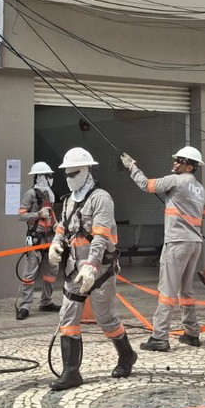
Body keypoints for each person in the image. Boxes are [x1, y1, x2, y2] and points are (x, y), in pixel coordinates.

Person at [47, 147, 137, 390]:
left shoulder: (101, 199)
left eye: (73, 173)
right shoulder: (67, 201)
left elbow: (100, 237)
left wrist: (91, 265)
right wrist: (55, 245)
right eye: (66, 173)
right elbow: (62, 228)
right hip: (73, 269)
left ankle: (127, 355)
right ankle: (71, 372)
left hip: (99, 270)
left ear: (87, 171)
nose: (69, 177)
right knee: (68, 316)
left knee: (105, 318)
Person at [121, 146, 205, 351]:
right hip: (195, 243)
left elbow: (146, 185)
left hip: (177, 242)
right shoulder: (200, 188)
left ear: (189, 165)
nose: (175, 163)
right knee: (186, 290)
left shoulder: (175, 181)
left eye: (179, 160)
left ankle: (160, 337)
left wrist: (132, 167)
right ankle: (191, 333)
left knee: (167, 291)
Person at [15, 161, 61, 320]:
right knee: (29, 274)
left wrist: (56, 226)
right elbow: (21, 215)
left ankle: (46, 301)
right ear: (40, 177)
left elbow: (52, 214)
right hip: (35, 240)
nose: (51, 178)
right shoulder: (31, 194)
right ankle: (25, 306)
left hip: (50, 238)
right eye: (48, 175)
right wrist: (38, 214)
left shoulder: (50, 194)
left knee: (51, 272)